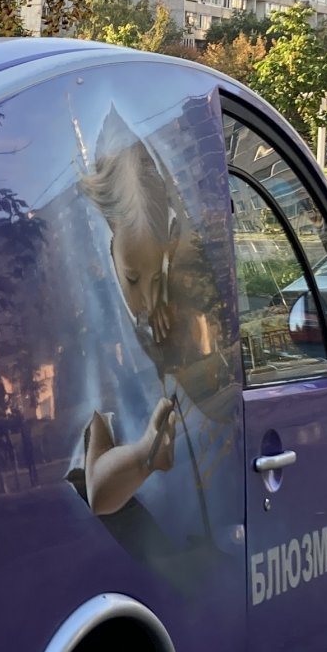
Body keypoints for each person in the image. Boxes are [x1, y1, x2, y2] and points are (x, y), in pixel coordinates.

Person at [75, 107, 231, 519]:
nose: (146, 299)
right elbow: (98, 492)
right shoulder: (97, 330)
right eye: (132, 278)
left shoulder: (171, 310)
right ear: (107, 235)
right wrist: (147, 453)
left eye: (157, 275)